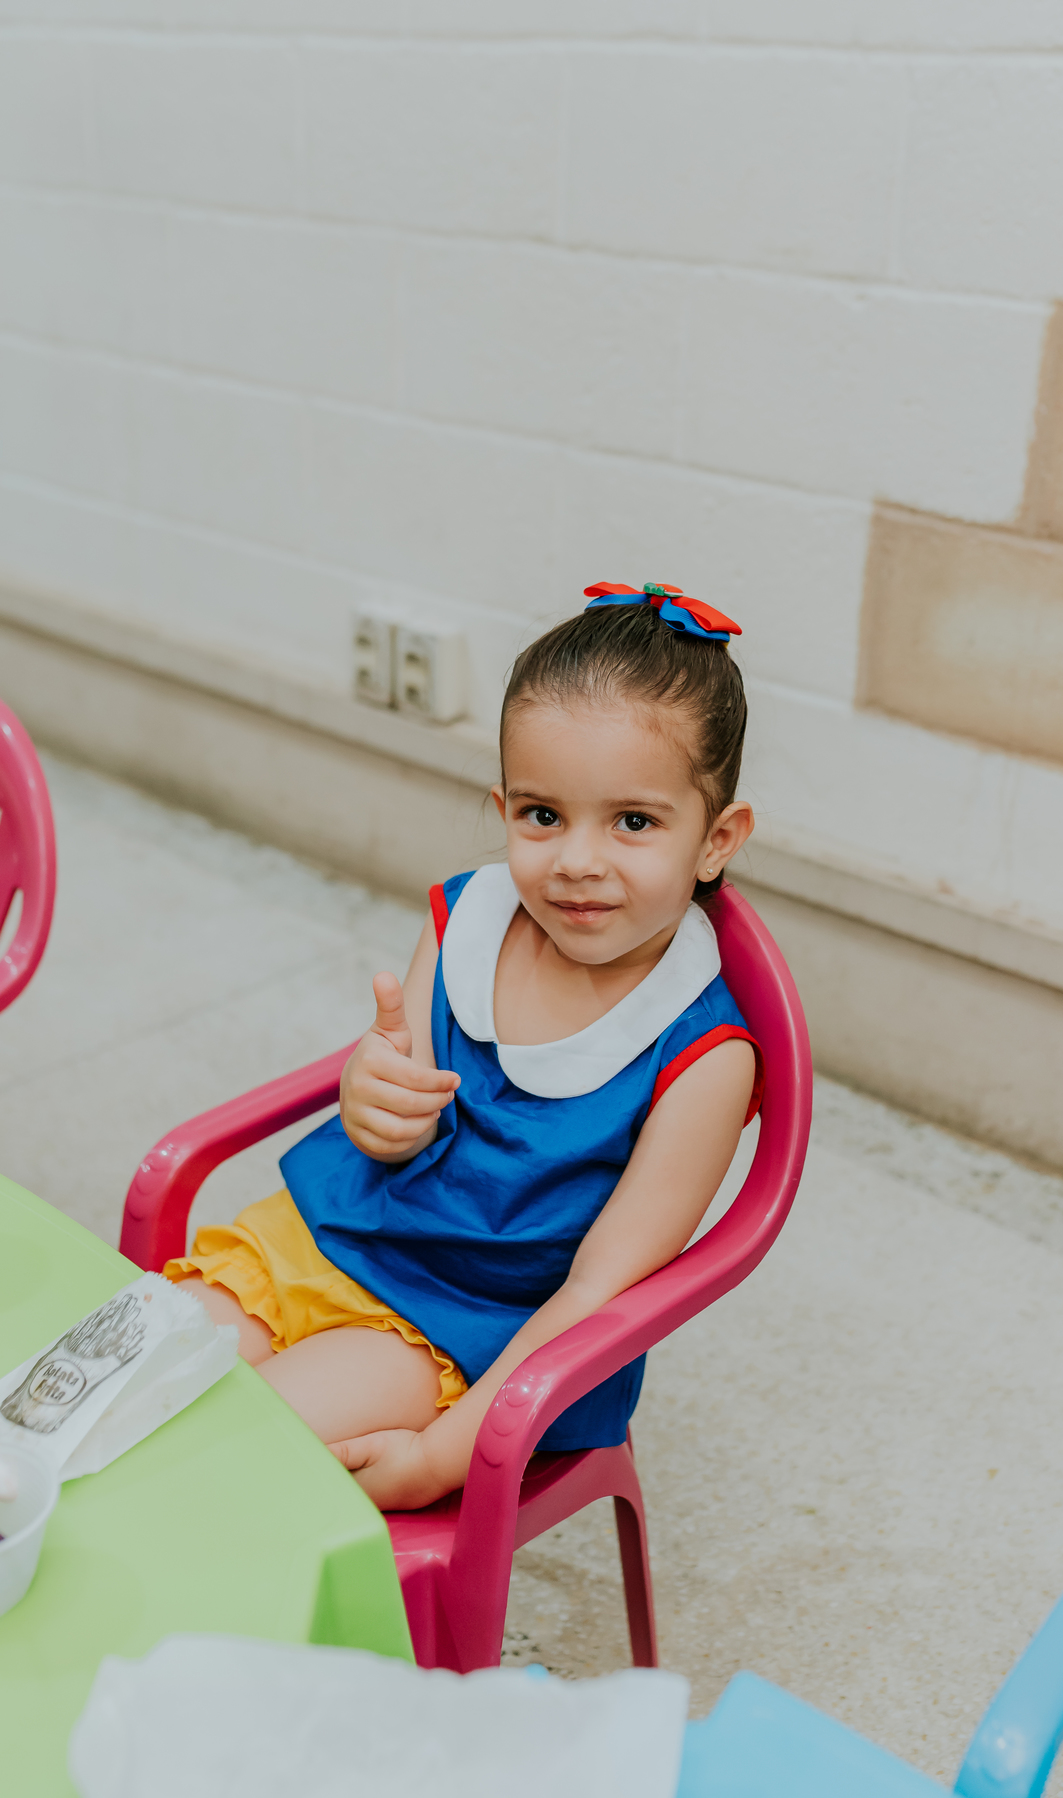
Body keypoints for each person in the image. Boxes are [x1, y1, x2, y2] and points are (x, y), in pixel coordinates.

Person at [166, 583, 763, 1511]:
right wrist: (374, 1097)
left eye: (634, 822)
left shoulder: (705, 1056)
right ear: (503, 807)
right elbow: (398, 1123)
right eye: (542, 815)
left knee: (222, 1465)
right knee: (111, 1383)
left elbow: (601, 1293)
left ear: (716, 839)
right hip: (327, 1235)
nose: (576, 860)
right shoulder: (470, 919)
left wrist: (447, 1456)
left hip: (461, 1326)